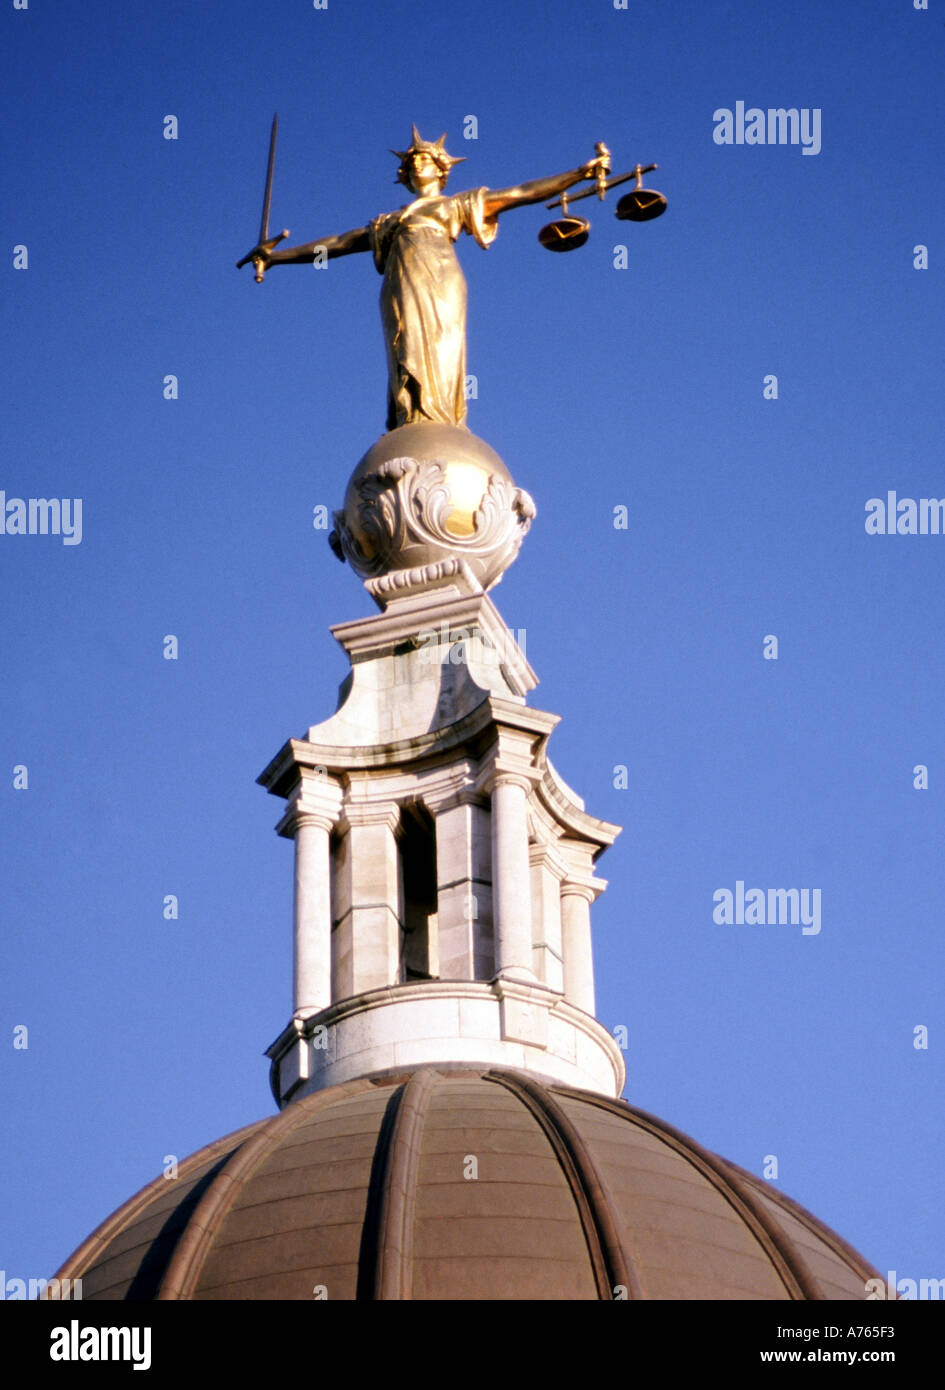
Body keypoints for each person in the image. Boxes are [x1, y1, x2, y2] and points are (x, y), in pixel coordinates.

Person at [249, 126, 609, 430]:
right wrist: (278, 257)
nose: (417, 163)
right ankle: (412, 417)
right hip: (399, 283)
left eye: (424, 159)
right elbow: (337, 244)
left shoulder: (455, 205)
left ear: (440, 169)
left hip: (440, 278)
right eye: (412, 162)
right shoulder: (387, 222)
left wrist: (579, 173)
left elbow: (520, 192)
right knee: (404, 348)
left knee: (440, 346)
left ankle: (440, 420)